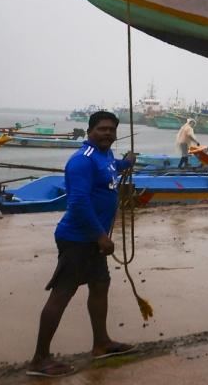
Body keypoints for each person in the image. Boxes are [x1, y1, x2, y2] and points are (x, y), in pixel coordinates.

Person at [27, 111, 136, 377]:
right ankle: (39, 359)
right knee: (62, 294)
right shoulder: (81, 161)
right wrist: (100, 236)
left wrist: (126, 163)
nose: (107, 133)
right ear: (90, 131)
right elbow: (77, 202)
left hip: (93, 239)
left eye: (111, 129)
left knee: (100, 286)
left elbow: (110, 170)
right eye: (102, 129)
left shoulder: (106, 155)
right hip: (78, 238)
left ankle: (101, 343)